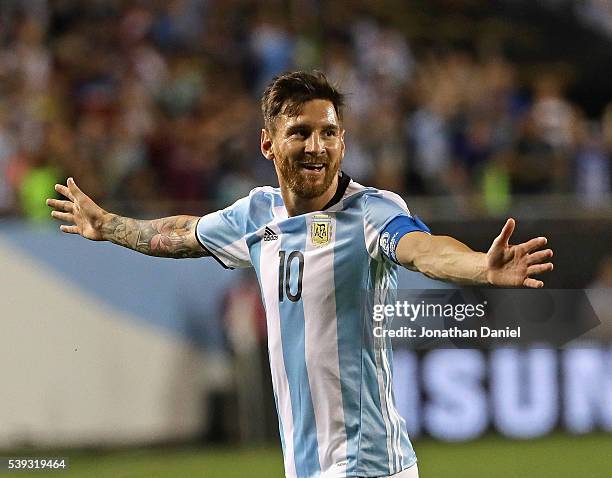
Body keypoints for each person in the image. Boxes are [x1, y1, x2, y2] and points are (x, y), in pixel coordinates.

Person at [46, 71, 553, 478]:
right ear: (268, 145)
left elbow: (422, 249)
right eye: (301, 133)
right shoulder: (255, 216)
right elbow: (182, 232)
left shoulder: (372, 213)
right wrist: (108, 226)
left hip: (370, 466)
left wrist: (480, 268)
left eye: (329, 132)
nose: (317, 146)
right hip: (305, 467)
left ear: (343, 142)